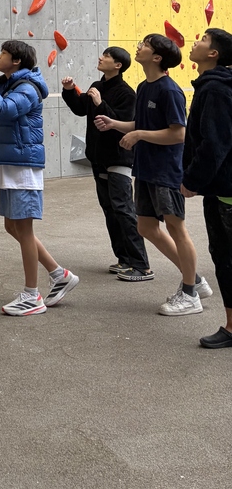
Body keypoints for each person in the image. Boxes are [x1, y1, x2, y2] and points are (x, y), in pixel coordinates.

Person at [94, 33, 211, 316]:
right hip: (145, 169)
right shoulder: (144, 87)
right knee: (146, 227)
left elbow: (178, 133)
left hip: (166, 172)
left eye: (145, 45)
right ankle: (194, 279)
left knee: (176, 228)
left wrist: (139, 135)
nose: (138, 48)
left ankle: (190, 294)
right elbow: (142, 123)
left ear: (157, 57)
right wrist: (115, 124)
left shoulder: (169, 90)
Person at [0, 40, 78, 316]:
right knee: (12, 226)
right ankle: (59, 274)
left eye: (3, 53)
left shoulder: (27, 87)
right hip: (11, 163)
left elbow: (4, 111)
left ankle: (32, 295)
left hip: (23, 165)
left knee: (24, 230)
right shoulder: (11, 85)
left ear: (16, 61)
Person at [61, 47, 152, 280]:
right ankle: (124, 259)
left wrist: (100, 103)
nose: (101, 58)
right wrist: (69, 91)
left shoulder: (127, 93)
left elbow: (122, 123)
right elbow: (81, 108)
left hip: (119, 158)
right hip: (98, 158)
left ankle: (141, 265)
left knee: (124, 209)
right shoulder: (97, 85)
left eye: (107, 56)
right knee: (110, 210)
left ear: (118, 65)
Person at [181, 28, 232, 347]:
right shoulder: (213, 86)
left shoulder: (215, 89)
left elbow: (215, 143)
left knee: (227, 259)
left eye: (202, 40)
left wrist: (191, 181)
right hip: (220, 189)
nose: (195, 42)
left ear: (213, 54)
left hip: (225, 192)